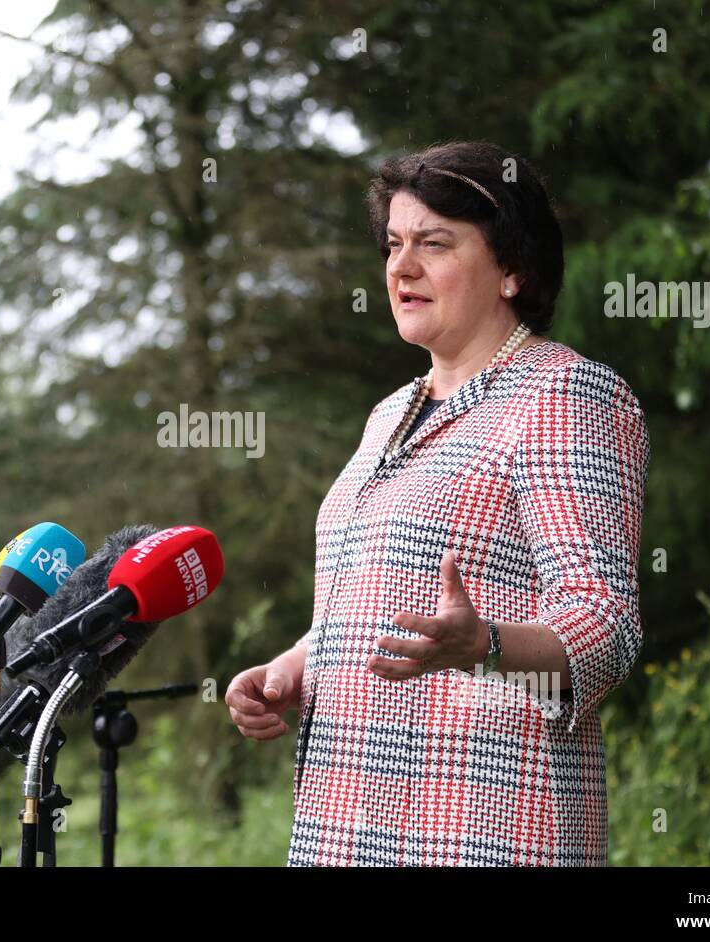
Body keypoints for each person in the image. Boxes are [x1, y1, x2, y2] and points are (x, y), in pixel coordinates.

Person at [226, 141, 651, 866]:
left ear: (512, 268)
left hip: (481, 834)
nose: (401, 267)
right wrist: (299, 664)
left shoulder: (566, 397)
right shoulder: (390, 412)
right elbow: (381, 603)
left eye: (434, 243)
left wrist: (480, 644)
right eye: (393, 244)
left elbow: (605, 630)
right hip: (343, 829)